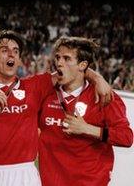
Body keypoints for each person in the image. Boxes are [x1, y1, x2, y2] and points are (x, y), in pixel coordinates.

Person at [0, 30, 112, 186]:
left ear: (19, 60)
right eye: (4, 51)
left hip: (24, 174)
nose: (11, 55)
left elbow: (69, 69)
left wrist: (97, 78)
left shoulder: (34, 85)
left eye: (16, 51)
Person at [38, 36, 133, 186]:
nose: (58, 63)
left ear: (83, 65)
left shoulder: (103, 96)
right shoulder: (44, 92)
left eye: (67, 58)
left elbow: (126, 137)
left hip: (90, 182)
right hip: (51, 181)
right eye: (57, 57)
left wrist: (87, 129)